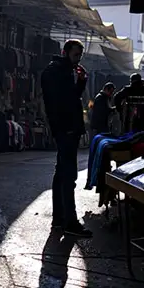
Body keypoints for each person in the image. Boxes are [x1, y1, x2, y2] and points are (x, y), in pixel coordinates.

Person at [41, 39, 92, 238]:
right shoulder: (56, 73)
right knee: (68, 175)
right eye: (75, 55)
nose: (77, 60)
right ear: (65, 53)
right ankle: (70, 221)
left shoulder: (62, 71)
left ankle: (58, 219)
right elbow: (63, 102)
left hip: (66, 128)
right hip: (66, 128)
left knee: (61, 173)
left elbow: (70, 98)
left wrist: (80, 82)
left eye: (80, 56)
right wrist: (79, 82)